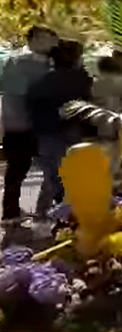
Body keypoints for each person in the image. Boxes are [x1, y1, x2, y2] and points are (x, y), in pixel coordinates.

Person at [27, 39, 93, 217]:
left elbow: (30, 108)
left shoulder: (40, 82)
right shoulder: (81, 80)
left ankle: (62, 213)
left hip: (44, 133)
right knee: (73, 175)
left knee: (55, 177)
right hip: (72, 132)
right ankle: (71, 214)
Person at [0, 26, 58, 222]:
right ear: (32, 40)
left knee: (44, 168)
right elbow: (20, 93)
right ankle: (11, 212)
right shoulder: (17, 62)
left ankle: (35, 210)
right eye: (45, 39)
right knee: (18, 169)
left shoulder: (47, 62)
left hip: (34, 125)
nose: (50, 44)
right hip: (20, 125)